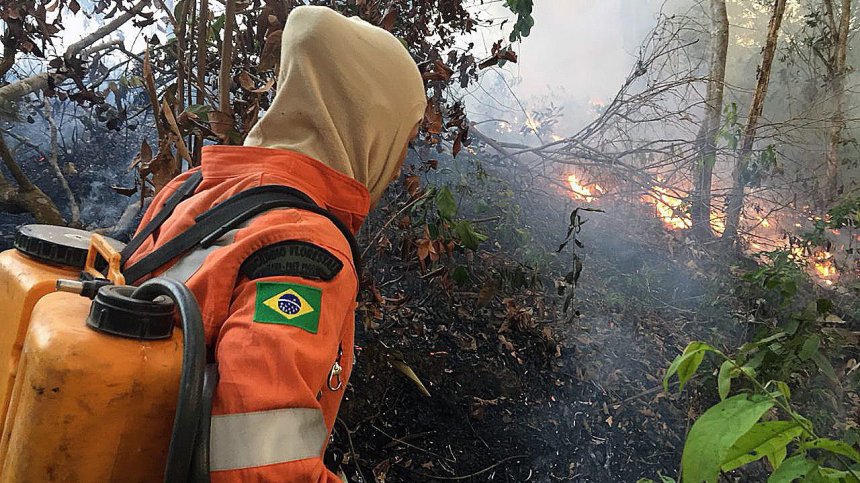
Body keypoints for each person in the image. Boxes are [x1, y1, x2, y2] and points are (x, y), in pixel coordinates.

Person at [124, 6, 425, 481]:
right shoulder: (306, 246)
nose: (400, 156)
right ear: (369, 124)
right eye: (402, 135)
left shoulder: (193, 188)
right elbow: (261, 468)